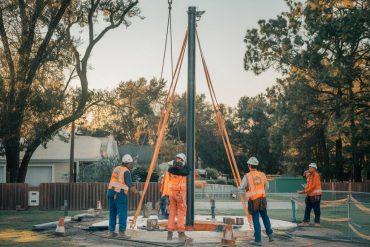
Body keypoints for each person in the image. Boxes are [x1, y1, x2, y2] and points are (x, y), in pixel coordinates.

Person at [239, 157, 273, 246]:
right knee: (265, 216)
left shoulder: (247, 176)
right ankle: (270, 234)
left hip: (254, 200)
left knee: (256, 220)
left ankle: (257, 240)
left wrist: (241, 190)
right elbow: (267, 187)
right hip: (262, 198)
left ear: (249, 165)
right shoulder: (262, 174)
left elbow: (242, 188)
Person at [107, 154, 141, 238]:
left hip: (111, 192)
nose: (131, 165)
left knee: (112, 213)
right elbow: (129, 184)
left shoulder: (116, 168)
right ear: (127, 163)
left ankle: (111, 232)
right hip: (119, 194)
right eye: (131, 163)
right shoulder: (126, 171)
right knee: (122, 213)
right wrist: (137, 192)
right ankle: (122, 233)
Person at [166, 153, 192, 241]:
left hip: (172, 193)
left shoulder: (170, 169)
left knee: (172, 212)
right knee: (181, 212)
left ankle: (169, 233)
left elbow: (177, 169)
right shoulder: (182, 170)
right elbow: (187, 171)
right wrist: (185, 165)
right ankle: (181, 233)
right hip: (180, 193)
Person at [298, 163, 322, 227]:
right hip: (309, 195)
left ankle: (317, 222)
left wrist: (304, 191)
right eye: (309, 167)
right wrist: (305, 172)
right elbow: (305, 176)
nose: (309, 169)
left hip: (316, 195)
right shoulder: (310, 175)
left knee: (316, 209)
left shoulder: (316, 175)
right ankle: (306, 222)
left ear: (314, 169)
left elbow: (313, 186)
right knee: (307, 209)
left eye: (311, 167)